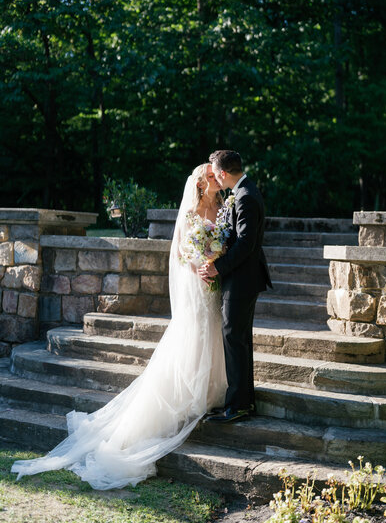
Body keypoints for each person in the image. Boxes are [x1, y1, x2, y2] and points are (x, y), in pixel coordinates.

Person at [11, 163, 227, 490]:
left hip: (214, 283)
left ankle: (211, 389)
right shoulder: (192, 211)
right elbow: (182, 249)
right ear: (199, 183)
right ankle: (186, 395)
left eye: (216, 175)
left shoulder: (222, 208)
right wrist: (200, 263)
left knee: (211, 332)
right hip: (197, 282)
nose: (215, 179)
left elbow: (226, 241)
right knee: (193, 334)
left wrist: (216, 261)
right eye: (210, 176)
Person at [199, 150, 272, 423]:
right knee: (238, 339)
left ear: (224, 173)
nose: (216, 178)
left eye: (216, 173)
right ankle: (243, 402)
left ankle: (237, 406)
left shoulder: (246, 197)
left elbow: (246, 244)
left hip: (243, 279)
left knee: (233, 337)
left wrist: (217, 267)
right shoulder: (244, 192)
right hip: (242, 277)